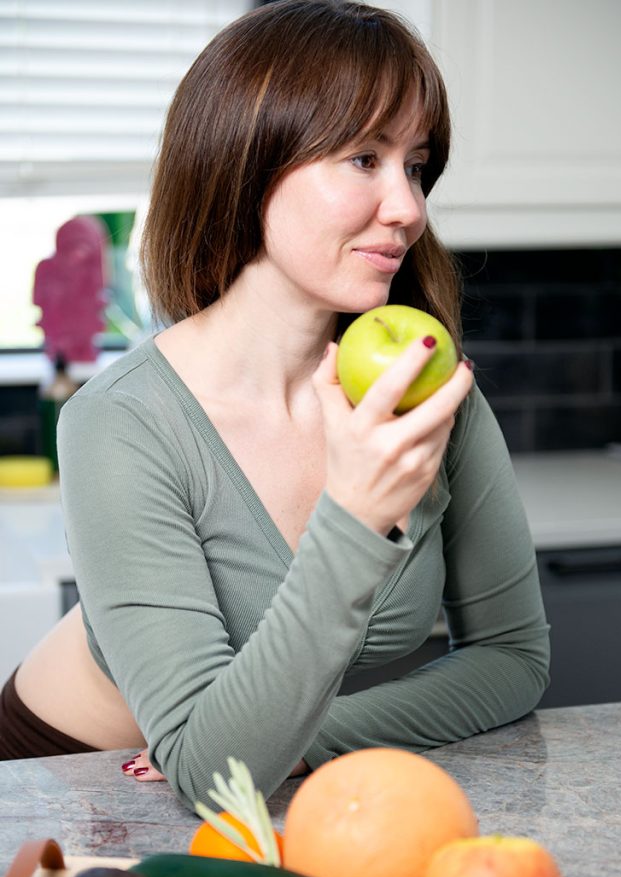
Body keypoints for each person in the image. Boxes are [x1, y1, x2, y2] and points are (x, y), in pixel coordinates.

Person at [0, 0, 550, 808]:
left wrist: (303, 741)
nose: (408, 207)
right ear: (246, 163)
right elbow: (210, 775)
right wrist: (355, 519)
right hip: (68, 784)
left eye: (416, 165)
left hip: (275, 788)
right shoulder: (121, 422)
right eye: (365, 158)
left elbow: (512, 657)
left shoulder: (425, 395)